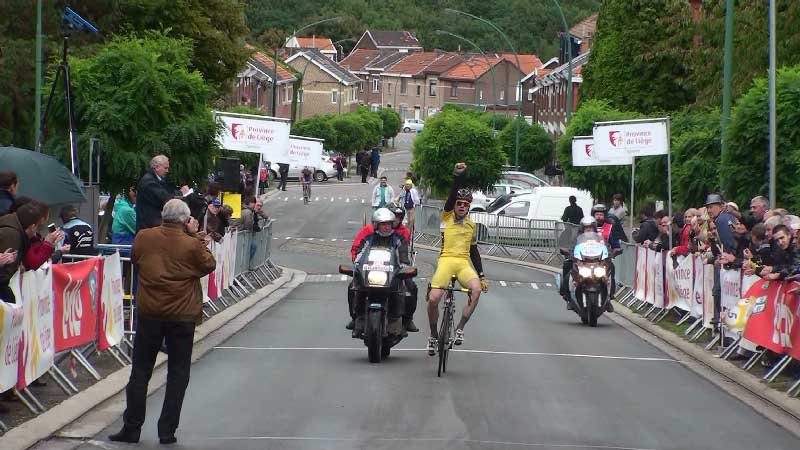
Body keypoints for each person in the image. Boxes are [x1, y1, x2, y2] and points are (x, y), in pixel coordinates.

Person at [109, 199, 216, 445]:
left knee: (140, 371)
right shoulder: (191, 245)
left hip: (150, 311)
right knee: (178, 373)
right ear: (185, 220)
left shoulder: (145, 237)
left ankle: (132, 426)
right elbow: (208, 264)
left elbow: (136, 260)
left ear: (163, 215)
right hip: (181, 314)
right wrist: (197, 238)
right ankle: (167, 429)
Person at [426, 162, 488, 355]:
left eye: (465, 205)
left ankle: (460, 328)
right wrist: (458, 177)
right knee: (434, 298)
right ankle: (434, 336)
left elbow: (474, 252)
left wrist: (482, 275)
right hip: (445, 261)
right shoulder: (446, 217)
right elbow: (453, 195)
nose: (461, 207)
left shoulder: (471, 226)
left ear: (469, 207)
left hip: (463, 264)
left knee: (476, 290)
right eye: (458, 204)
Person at [348, 208, 410, 338]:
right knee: (353, 288)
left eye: (388, 224)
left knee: (409, 289)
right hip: (371, 274)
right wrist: (356, 267)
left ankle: (403, 321)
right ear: (376, 225)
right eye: (383, 224)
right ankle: (358, 319)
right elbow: (359, 254)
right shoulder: (368, 238)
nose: (386, 227)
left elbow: (404, 257)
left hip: (393, 275)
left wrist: (403, 268)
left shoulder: (399, 239)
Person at [135, 155, 192, 232]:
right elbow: (165, 198)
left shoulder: (157, 180)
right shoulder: (149, 182)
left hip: (152, 225)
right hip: (149, 226)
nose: (167, 171)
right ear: (157, 167)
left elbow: (168, 193)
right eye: (165, 168)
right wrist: (181, 193)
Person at [0, 203, 43, 303]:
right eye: (38, 226)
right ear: (32, 226)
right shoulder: (12, 235)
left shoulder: (10, 226)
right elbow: (5, 273)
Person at [560, 217, 598, 308]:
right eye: (586, 227)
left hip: (596, 264)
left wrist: (609, 254)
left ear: (594, 228)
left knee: (607, 274)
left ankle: (608, 298)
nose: (589, 229)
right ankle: (568, 296)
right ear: (583, 228)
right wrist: (570, 254)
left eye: (591, 227)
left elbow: (606, 248)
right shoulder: (578, 238)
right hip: (582, 263)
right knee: (568, 270)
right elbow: (573, 248)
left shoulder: (599, 238)